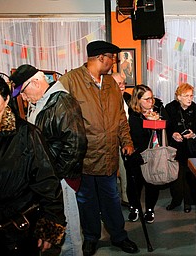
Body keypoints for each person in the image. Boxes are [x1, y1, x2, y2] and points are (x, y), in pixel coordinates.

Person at [59, 40, 138, 255]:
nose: (114, 62)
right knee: (86, 201)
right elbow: (57, 115)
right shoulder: (70, 81)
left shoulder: (112, 84)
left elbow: (121, 117)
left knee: (111, 199)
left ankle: (119, 236)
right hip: (83, 157)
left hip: (109, 154)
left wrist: (127, 141)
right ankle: (91, 237)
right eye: (112, 58)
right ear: (100, 57)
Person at [9, 64, 87, 256]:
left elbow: (76, 144)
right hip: (50, 178)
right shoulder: (42, 102)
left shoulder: (63, 102)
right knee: (55, 228)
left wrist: (54, 176)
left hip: (60, 179)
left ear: (35, 82)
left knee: (68, 230)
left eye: (24, 92)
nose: (24, 98)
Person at [0, 74, 66, 255]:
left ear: (5, 100)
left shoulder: (26, 135)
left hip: (16, 232)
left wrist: (49, 229)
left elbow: (47, 182)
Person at [125, 84, 168, 223]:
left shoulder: (159, 109)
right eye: (147, 99)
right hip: (138, 155)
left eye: (152, 98)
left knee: (152, 183)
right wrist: (148, 124)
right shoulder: (133, 115)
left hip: (155, 155)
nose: (151, 102)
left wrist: (158, 122)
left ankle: (150, 209)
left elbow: (168, 126)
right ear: (137, 100)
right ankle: (135, 208)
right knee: (134, 185)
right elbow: (136, 137)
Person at [165, 83, 196, 213]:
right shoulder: (170, 108)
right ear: (178, 97)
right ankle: (176, 200)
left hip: (191, 148)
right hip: (176, 147)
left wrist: (194, 134)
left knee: (190, 176)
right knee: (176, 175)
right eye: (186, 96)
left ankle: (188, 202)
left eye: (191, 95)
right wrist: (173, 134)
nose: (189, 98)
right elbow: (167, 126)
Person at [112, 72, 130, 206]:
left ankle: (126, 198)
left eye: (123, 83)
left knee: (125, 171)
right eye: (119, 84)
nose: (123, 87)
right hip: (110, 142)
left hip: (125, 141)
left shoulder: (127, 98)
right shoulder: (107, 100)